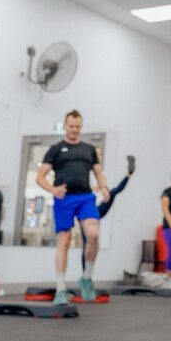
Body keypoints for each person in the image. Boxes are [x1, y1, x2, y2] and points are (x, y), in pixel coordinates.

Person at [35, 109, 109, 304]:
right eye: (71, 126)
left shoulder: (89, 149)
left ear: (81, 127)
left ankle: (86, 277)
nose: (74, 129)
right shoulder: (56, 149)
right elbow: (40, 177)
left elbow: (98, 173)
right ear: (65, 126)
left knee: (93, 234)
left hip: (85, 197)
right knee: (65, 241)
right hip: (64, 198)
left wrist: (104, 187)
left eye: (77, 126)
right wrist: (53, 190)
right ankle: (60, 289)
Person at [80, 155, 136, 273]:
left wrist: (100, 188)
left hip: (99, 207)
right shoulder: (83, 175)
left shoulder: (100, 174)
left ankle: (129, 173)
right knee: (87, 242)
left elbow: (103, 186)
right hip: (87, 210)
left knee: (114, 191)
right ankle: (86, 272)